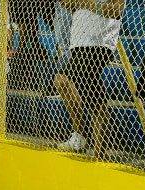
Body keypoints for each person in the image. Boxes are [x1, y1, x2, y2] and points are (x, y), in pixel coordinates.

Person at [53, 0, 124, 159]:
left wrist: (84, 2)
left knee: (96, 102)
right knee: (62, 81)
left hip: (98, 44)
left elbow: (115, 11)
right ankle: (80, 137)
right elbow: (68, 4)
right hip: (79, 42)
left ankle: (99, 156)